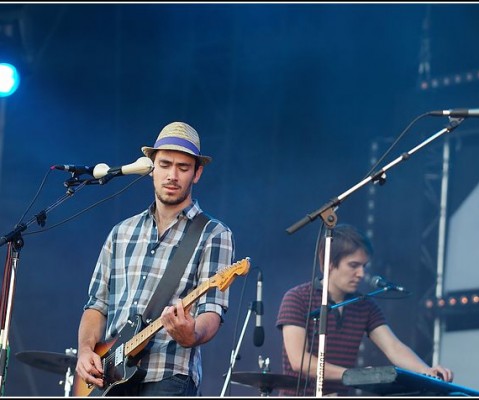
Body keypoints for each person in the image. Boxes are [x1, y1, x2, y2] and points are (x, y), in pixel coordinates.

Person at [75, 121, 235, 396]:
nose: (172, 175)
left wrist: (192, 334)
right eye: (165, 164)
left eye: (183, 167)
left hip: (169, 375)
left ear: (197, 173)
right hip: (110, 376)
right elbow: (97, 305)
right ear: (151, 167)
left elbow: (212, 310)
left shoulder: (213, 234)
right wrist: (86, 351)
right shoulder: (121, 232)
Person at [276, 223, 453, 396]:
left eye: (364, 266)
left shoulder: (364, 305)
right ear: (329, 263)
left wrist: (426, 371)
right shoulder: (297, 297)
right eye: (353, 265)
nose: (361, 273)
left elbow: (393, 347)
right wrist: (354, 376)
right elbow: (299, 360)